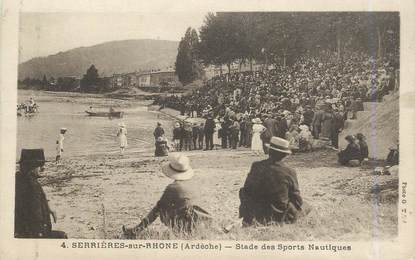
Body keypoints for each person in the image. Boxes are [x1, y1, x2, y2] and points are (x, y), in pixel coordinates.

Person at [122, 154, 212, 237]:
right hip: (201, 223)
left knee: (159, 207)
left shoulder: (172, 188)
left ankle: (136, 230)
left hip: (187, 226)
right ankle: (136, 230)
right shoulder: (193, 183)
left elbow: (158, 208)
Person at [239, 137, 309, 226]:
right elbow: (297, 198)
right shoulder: (289, 171)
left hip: (256, 213)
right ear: (285, 155)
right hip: (278, 216)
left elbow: (246, 190)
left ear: (269, 151)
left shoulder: (256, 166)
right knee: (307, 207)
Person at [15, 149, 67, 238]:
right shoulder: (32, 185)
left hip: (21, 230)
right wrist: (40, 232)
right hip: (33, 233)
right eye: (40, 165)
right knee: (62, 236)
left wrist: (49, 208)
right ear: (31, 167)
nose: (43, 168)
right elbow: (36, 214)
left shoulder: (19, 178)